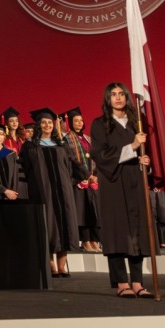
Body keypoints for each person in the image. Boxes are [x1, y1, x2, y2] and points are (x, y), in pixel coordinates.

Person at [90, 82, 154, 298]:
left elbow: (147, 153)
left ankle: (138, 282)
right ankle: (121, 282)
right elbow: (100, 155)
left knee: (138, 229)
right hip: (114, 182)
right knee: (118, 231)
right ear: (107, 99)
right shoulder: (100, 124)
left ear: (127, 97)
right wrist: (132, 147)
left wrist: (145, 160)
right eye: (113, 94)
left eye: (121, 94)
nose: (117, 98)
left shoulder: (137, 124)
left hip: (135, 179)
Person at [20, 108, 81, 277]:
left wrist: (80, 179)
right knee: (48, 223)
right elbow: (24, 168)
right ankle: (51, 264)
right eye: (43, 122)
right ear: (38, 125)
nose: (47, 125)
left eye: (49, 122)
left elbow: (73, 165)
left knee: (64, 221)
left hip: (63, 190)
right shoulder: (30, 145)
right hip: (42, 190)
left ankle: (62, 265)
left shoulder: (62, 145)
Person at [63, 107, 101, 252]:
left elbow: (95, 156)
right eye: (76, 121)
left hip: (92, 180)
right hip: (78, 180)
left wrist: (95, 175)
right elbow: (72, 159)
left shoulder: (87, 138)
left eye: (81, 120)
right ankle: (85, 240)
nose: (79, 123)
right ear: (70, 123)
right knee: (83, 212)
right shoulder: (67, 139)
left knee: (94, 211)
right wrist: (86, 175)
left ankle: (95, 240)